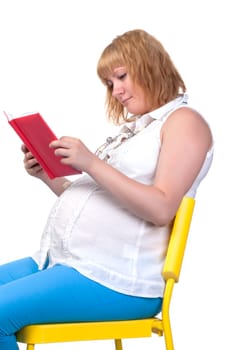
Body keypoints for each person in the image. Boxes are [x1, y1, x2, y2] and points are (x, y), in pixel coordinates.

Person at [0, 29, 213, 350]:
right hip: (66, 262)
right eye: (110, 84)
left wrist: (91, 162)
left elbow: (162, 208)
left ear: (150, 65)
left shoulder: (185, 121)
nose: (116, 91)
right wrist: (47, 176)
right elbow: (100, 199)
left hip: (116, 281)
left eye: (121, 77)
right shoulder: (136, 131)